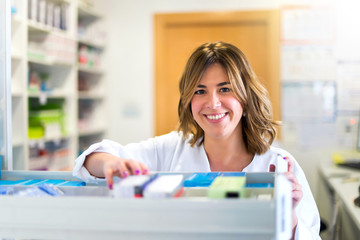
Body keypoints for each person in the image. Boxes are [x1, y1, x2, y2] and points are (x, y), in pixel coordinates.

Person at [73, 41, 321, 239]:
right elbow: (93, 160)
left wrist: (288, 216)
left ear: (246, 98)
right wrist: (108, 163)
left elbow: (309, 235)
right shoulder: (170, 149)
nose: (213, 103)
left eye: (225, 89)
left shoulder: (280, 165)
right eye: (200, 91)